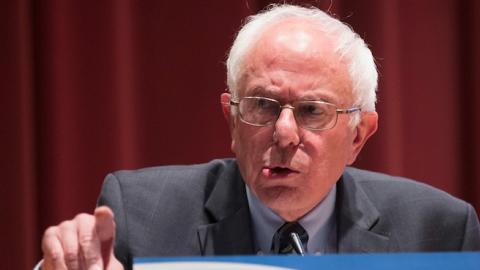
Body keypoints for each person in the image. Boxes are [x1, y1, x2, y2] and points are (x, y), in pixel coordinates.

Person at [39, 4, 480, 270]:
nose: (284, 133)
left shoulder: (438, 230)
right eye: (263, 107)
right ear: (232, 120)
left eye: (313, 112)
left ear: (358, 136)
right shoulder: (139, 214)